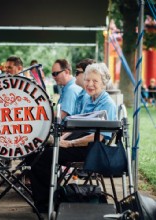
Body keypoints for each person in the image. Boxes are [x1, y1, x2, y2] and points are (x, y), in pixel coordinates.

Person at [30, 62, 117, 213]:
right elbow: (76, 125)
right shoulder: (88, 99)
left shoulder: (107, 103)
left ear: (104, 83)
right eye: (87, 80)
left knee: (45, 157)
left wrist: (69, 144)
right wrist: (60, 139)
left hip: (94, 148)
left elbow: (100, 138)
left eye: (95, 81)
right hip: (81, 141)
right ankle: (51, 199)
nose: (89, 84)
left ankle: (47, 204)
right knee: (39, 151)